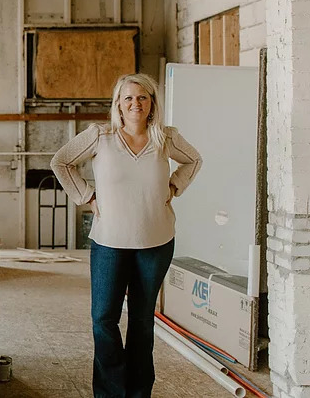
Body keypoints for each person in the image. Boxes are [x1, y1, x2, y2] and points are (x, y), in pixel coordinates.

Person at [51, 73, 202, 398]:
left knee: (141, 321)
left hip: (155, 243)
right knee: (104, 318)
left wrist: (174, 186)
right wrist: (87, 196)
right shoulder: (99, 136)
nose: (136, 103)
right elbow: (61, 162)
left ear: (152, 104)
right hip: (109, 244)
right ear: (118, 104)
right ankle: (110, 392)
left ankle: (137, 393)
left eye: (143, 98)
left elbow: (194, 160)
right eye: (129, 98)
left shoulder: (166, 137)